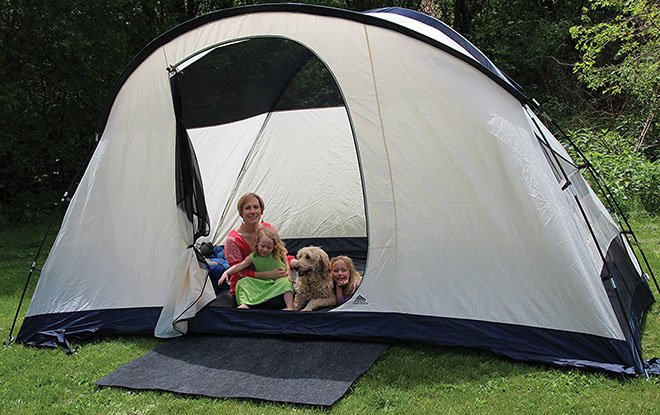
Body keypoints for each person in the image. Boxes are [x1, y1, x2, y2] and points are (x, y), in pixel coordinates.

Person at [223, 192, 289, 309]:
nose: (252, 211)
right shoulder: (233, 240)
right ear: (241, 213)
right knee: (273, 301)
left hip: (270, 282)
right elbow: (239, 272)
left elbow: (280, 252)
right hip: (250, 283)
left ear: (261, 210)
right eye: (248, 208)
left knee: (282, 295)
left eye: (256, 207)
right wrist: (268, 274)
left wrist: (288, 269)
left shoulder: (269, 229)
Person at [219, 226, 294, 310]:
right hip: (263, 282)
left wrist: (287, 269)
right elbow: (240, 265)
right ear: (257, 243)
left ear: (274, 247)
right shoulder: (253, 256)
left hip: (278, 280)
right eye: (262, 246)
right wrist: (226, 272)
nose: (265, 250)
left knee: (286, 283)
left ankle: (290, 307)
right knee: (243, 282)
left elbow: (284, 255)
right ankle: (245, 303)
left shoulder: (275, 253)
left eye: (269, 247)